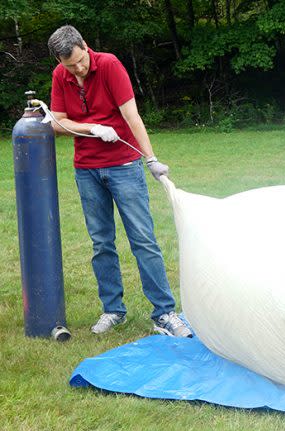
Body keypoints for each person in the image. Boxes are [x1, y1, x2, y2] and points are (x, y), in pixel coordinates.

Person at [47, 25, 191, 337]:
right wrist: (93, 127)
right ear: (60, 62)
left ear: (85, 46)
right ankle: (113, 310)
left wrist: (150, 159)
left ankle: (165, 313)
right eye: (70, 65)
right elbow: (57, 122)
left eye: (81, 61)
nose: (78, 69)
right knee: (101, 243)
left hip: (124, 166)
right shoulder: (62, 75)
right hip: (86, 168)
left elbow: (132, 116)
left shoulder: (110, 65)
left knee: (143, 239)